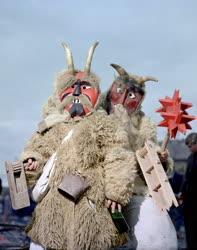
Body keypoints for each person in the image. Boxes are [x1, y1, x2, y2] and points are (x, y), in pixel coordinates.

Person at [20, 43, 137, 250]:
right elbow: (37, 150)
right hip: (54, 206)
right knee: (50, 240)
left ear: (95, 93)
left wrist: (116, 192)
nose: (76, 92)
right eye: (71, 87)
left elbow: (117, 155)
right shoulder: (52, 125)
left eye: (84, 87)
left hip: (92, 202)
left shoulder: (104, 123)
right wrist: (32, 161)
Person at [103, 63, 178, 250]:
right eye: (129, 92)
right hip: (103, 188)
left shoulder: (145, 125)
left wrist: (159, 158)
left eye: (138, 94)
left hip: (137, 190)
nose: (133, 98)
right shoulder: (102, 118)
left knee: (157, 234)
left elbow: (149, 157)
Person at [179, 132, 197, 249]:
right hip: (189, 199)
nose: (189, 149)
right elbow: (186, 178)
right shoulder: (190, 157)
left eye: (190, 146)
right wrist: (181, 192)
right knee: (190, 228)